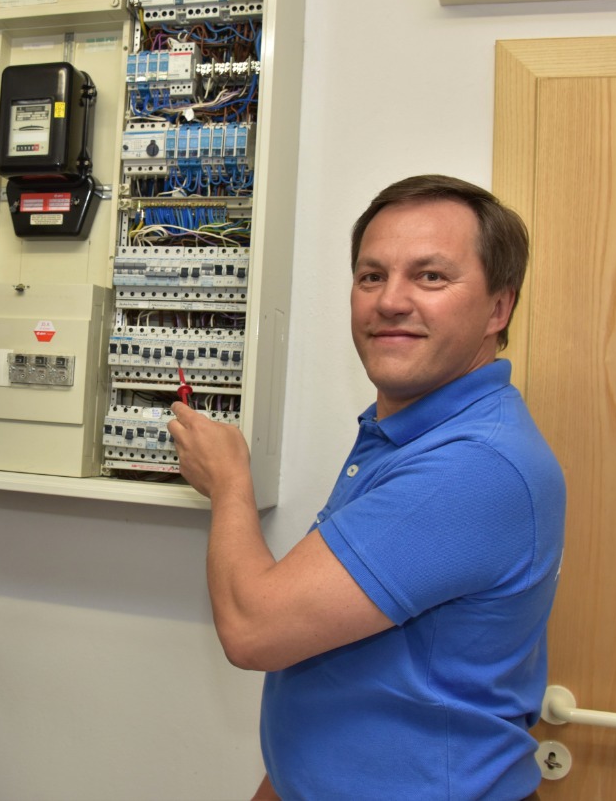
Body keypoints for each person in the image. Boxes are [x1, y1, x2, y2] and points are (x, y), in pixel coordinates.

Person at [169, 175, 565, 800]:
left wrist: (229, 482)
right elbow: (347, 678)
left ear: (499, 308)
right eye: (371, 276)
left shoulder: (471, 466)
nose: (390, 301)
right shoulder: (412, 433)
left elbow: (254, 629)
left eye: (431, 276)